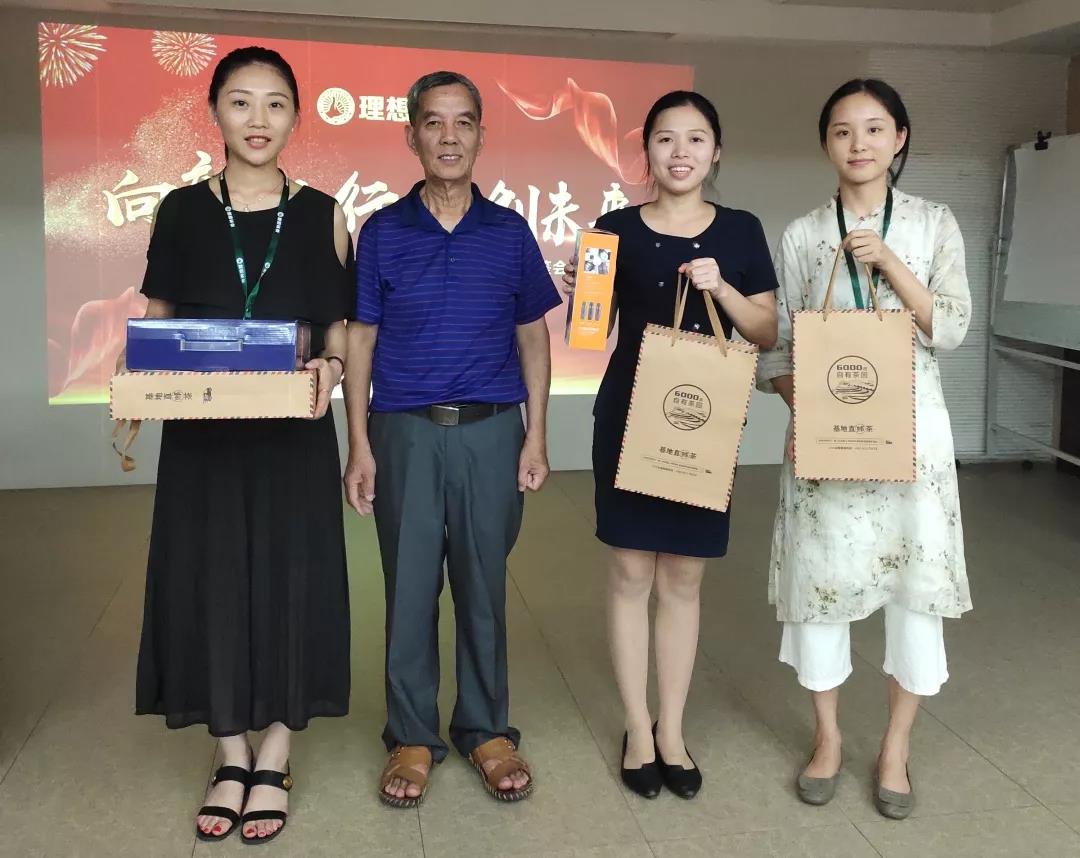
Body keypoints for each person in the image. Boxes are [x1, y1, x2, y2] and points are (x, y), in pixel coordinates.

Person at [127, 46, 353, 844]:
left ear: (295, 116)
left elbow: (338, 328)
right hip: (204, 437)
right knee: (210, 578)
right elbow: (158, 317)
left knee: (293, 579)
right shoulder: (181, 211)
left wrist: (329, 367)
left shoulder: (324, 213)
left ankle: (277, 753)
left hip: (294, 433)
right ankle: (230, 752)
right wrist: (132, 385)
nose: (259, 119)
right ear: (215, 111)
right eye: (241, 102)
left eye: (276, 103)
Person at [342, 71, 560, 807]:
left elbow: (533, 338)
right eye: (433, 123)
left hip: (491, 433)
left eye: (463, 122)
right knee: (408, 589)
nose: (448, 136)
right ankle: (410, 737)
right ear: (411, 135)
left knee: (482, 587)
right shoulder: (382, 232)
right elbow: (361, 340)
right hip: (403, 432)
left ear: (481, 135)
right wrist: (358, 444)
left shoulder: (509, 233)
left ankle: (486, 729)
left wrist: (536, 436)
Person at [758, 78, 972, 819]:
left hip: (914, 439)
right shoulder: (802, 234)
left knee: (915, 590)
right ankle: (827, 739)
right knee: (820, 588)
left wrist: (891, 264)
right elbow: (778, 348)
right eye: (843, 131)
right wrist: (811, 409)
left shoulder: (933, 223)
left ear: (900, 138)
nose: (859, 144)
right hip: (828, 441)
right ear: (826, 142)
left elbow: (951, 327)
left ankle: (895, 748)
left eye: (875, 129)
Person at [562, 90, 778, 799]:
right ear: (646, 151)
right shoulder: (615, 227)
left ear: (716, 152)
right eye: (664, 138)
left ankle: (673, 731)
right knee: (631, 573)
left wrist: (724, 289)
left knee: (684, 578)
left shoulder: (741, 231)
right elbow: (591, 332)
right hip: (628, 415)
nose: (680, 152)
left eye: (695, 139)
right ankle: (637, 726)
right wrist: (581, 287)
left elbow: (765, 331)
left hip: (701, 426)